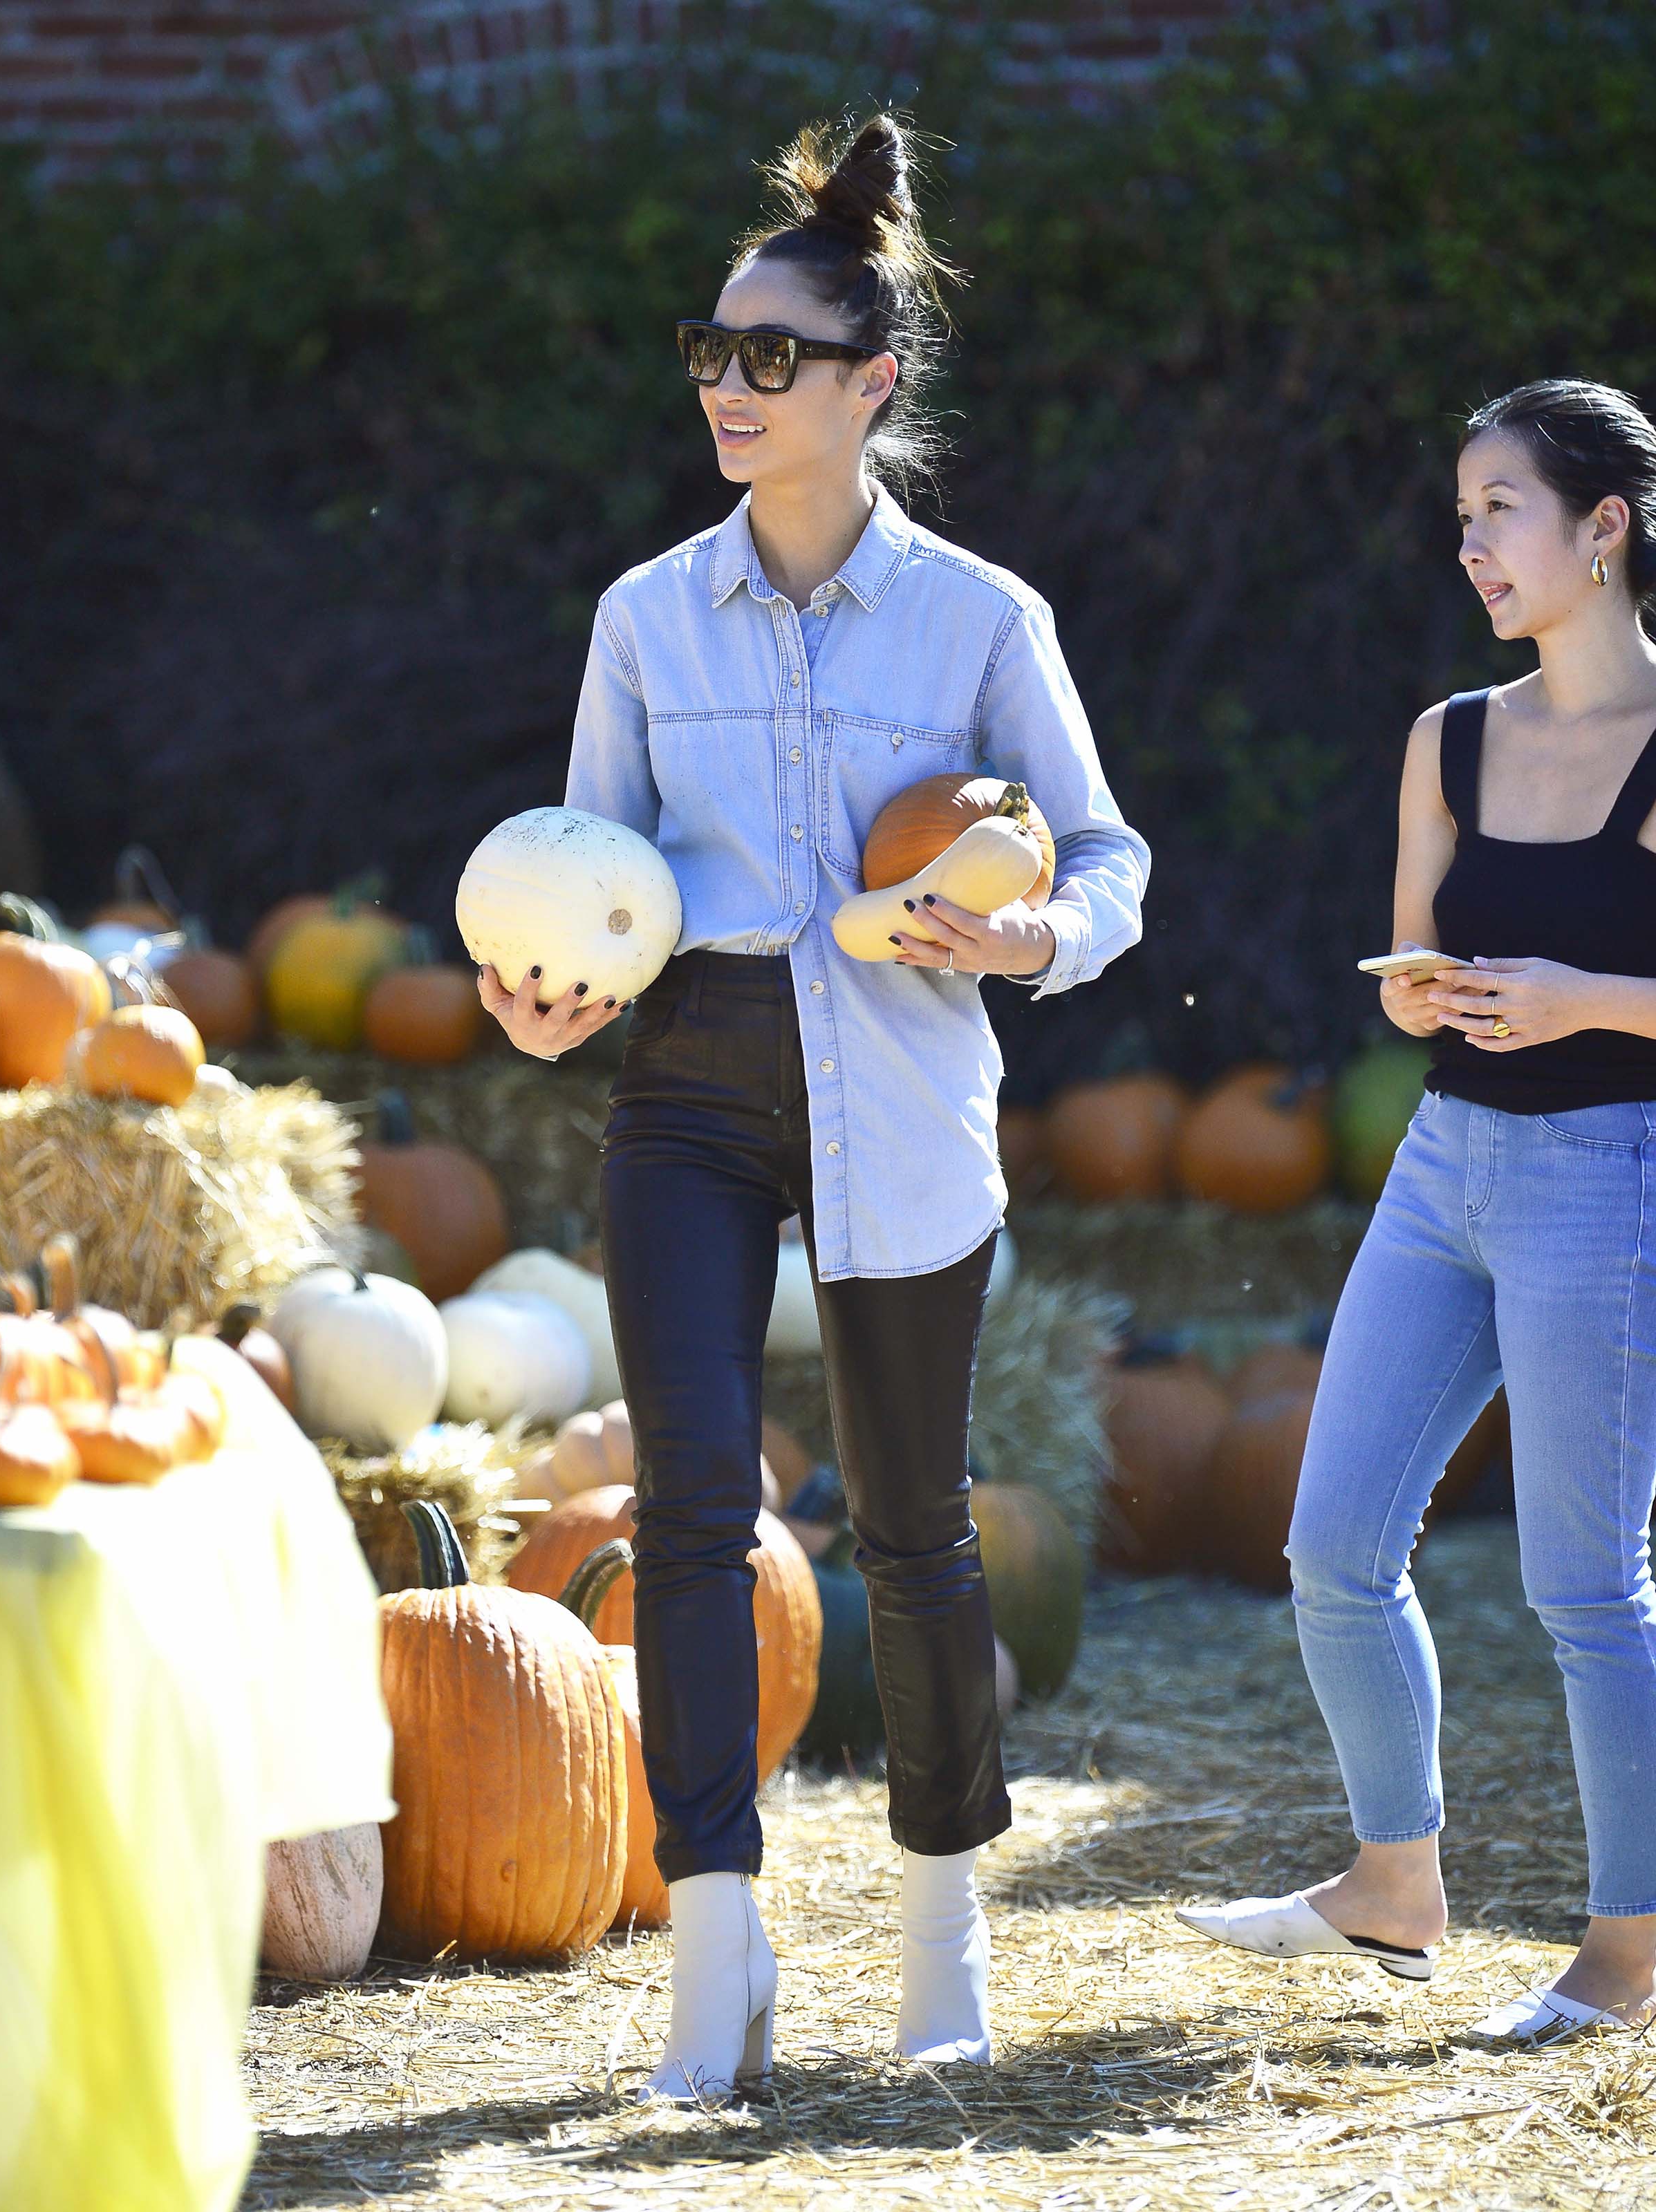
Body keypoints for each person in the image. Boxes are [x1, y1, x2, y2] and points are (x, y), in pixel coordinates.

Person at [477, 111, 1148, 2099]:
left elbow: (1105, 864)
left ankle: (944, 1953)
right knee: (689, 1516)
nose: (728, 387)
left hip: (905, 1090)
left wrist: (1010, 945)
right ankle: (718, 1958)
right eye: (710, 350)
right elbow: (587, 875)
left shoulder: (983, 621)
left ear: (872, 384)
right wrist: (539, 1007)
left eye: (771, 357)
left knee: (921, 1535)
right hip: (687, 1083)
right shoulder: (643, 616)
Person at [1178, 379, 1656, 2042]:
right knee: (1332, 1543)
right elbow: (1405, 971)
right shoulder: (1449, 736)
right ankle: (1396, 1882)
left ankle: (1626, 1950)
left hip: (1612, 1175)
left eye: (1501, 510)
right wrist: (1439, 995)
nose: (1471, 545)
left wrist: (1579, 999)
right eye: (1460, 515)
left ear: (1604, 527)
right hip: (1446, 1163)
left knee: (1587, 1589)